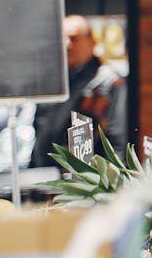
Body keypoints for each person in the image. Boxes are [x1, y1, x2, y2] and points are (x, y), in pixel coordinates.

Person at [31, 15, 128, 168]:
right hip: (47, 175)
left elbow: (117, 138)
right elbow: (40, 129)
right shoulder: (52, 81)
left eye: (74, 38)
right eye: (62, 39)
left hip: (89, 180)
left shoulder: (108, 82)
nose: (67, 44)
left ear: (92, 42)